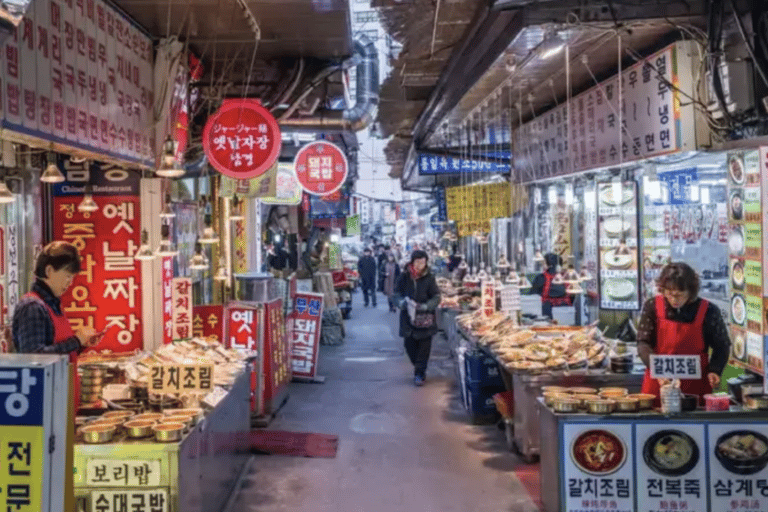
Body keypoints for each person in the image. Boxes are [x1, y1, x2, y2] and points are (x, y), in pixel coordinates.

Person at [12, 241, 102, 410]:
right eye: (67, 275)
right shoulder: (33, 307)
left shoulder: (52, 303)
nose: (70, 282)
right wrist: (75, 341)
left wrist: (82, 344)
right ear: (49, 271)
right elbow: (34, 358)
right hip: (44, 406)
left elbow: (56, 350)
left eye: (73, 277)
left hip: (60, 401)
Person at [638, 262, 730, 405]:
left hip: (695, 387)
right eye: (669, 294)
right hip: (659, 383)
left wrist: (715, 370)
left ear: (691, 292)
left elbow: (722, 345)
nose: (674, 300)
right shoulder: (652, 306)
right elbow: (643, 342)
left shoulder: (709, 310)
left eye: (680, 295)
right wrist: (657, 370)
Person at [394, 250, 441, 386]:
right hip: (408, 319)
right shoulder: (404, 277)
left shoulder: (429, 278)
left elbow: (436, 297)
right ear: (412, 262)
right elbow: (396, 293)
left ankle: (419, 373)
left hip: (425, 319)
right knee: (409, 347)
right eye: (418, 261)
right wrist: (401, 303)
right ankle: (419, 368)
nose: (420, 264)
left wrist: (426, 306)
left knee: (424, 349)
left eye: (423, 262)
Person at [531, 252, 571, 318]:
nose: (542, 265)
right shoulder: (568, 277)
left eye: (544, 263)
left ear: (549, 265)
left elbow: (532, 296)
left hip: (547, 316)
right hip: (565, 314)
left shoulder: (541, 278)